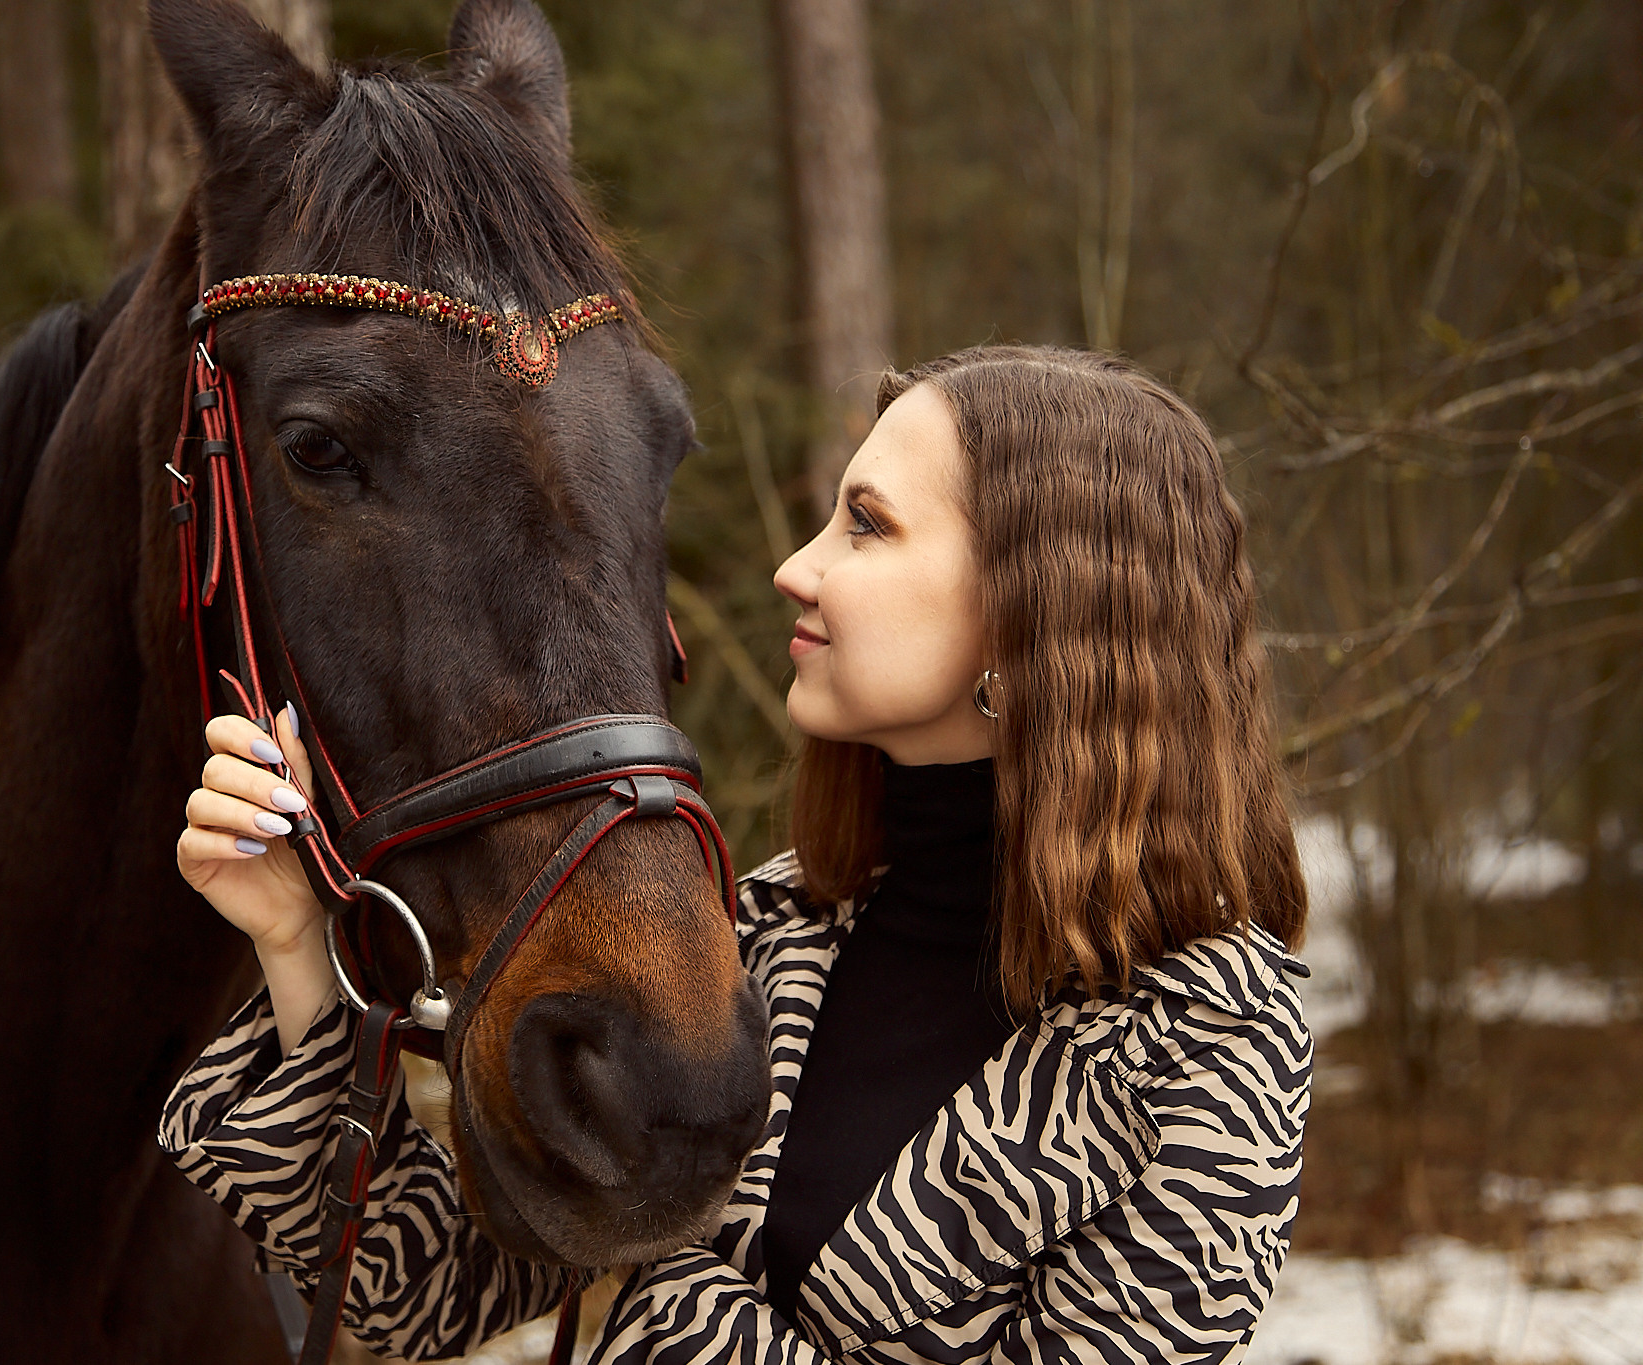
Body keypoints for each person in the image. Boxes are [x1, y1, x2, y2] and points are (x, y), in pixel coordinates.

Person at [161, 344, 1312, 1363]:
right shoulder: (763, 931)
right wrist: (294, 944)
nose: (794, 568)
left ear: (1028, 615)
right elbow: (424, 1298)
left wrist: (671, 1307)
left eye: (864, 525)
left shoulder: (1205, 1033)